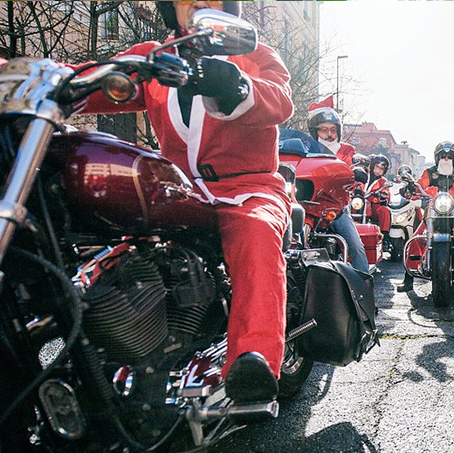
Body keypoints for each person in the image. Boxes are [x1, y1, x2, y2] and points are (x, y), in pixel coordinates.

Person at [81, 0, 294, 403]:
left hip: (248, 186)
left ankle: (254, 359)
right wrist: (23, 79)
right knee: (123, 248)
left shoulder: (256, 53)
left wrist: (234, 84)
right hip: (177, 190)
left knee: (256, 233)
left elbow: (280, 99)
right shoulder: (152, 57)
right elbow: (94, 80)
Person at [397, 141, 454, 292]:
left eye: (450, 156)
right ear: (437, 157)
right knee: (417, 236)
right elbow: (419, 184)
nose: (446, 159)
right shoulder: (429, 173)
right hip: (434, 210)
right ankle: (408, 277)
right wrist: (411, 187)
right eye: (443, 155)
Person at [306, 100, 370, 273]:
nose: (329, 134)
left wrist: (358, 171)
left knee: (356, 246)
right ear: (315, 131)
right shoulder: (305, 149)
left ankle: (364, 291)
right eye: (323, 129)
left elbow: (354, 165)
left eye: (333, 130)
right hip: (307, 205)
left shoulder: (346, 150)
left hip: (335, 207)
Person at [360, 154, 394, 250]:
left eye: (381, 169)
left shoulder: (383, 181)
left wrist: (384, 195)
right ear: (372, 166)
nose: (378, 170)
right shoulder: (362, 174)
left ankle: (385, 238)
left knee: (384, 210)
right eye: (377, 167)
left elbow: (387, 193)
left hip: (373, 207)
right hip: (358, 203)